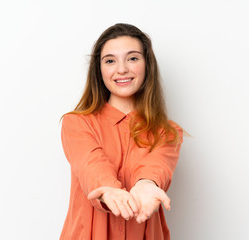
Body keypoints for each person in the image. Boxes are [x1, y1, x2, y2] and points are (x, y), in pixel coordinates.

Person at [60, 23, 183, 240]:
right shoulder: (76, 123)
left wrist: (147, 184)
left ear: (147, 65)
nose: (122, 69)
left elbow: (157, 166)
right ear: (99, 70)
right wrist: (108, 190)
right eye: (110, 61)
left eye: (133, 58)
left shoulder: (168, 132)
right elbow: (90, 164)